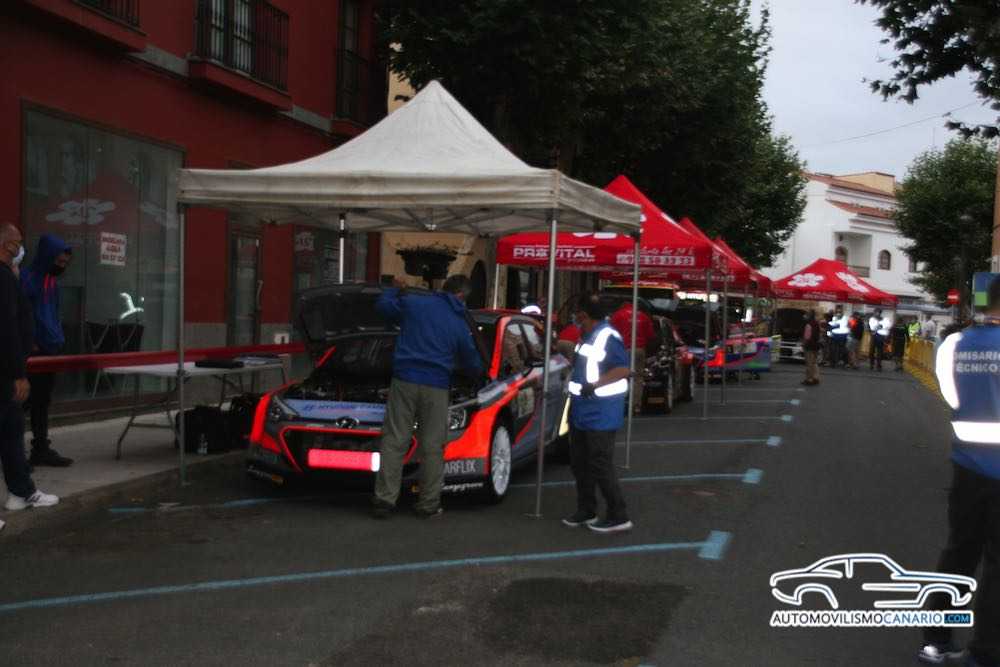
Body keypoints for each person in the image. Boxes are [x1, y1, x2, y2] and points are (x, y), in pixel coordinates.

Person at [918, 276, 1000, 667]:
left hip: (967, 465)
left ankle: (935, 642)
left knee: (959, 553)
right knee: (997, 565)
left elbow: (951, 397)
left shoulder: (952, 344)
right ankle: (985, 651)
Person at [371, 275, 484, 519]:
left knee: (394, 440)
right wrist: (480, 375)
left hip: (404, 380)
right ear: (461, 295)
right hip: (437, 386)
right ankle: (429, 504)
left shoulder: (415, 303)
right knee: (432, 446)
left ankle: (384, 500)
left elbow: (383, 308)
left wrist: (393, 290)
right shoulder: (458, 322)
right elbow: (470, 360)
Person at [0, 223, 59, 514]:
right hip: (4, 371)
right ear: (7, 244)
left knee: (11, 433)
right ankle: (21, 490)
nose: (20, 248)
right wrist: (18, 374)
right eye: (17, 242)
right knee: (9, 430)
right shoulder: (3, 278)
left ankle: (21, 491)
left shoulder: (9, 276)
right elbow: (7, 327)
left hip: (7, 368)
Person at [562, 292, 632, 533]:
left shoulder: (607, 336)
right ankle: (586, 509)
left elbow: (623, 369)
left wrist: (594, 385)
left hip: (601, 412)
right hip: (582, 410)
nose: (575, 318)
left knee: (600, 464)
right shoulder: (588, 335)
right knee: (580, 463)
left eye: (577, 314)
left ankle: (618, 514)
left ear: (584, 315)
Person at [21, 233, 73, 467]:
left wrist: (57, 339)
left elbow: (54, 313)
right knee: (22, 402)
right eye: (59, 261)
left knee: (41, 401)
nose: (62, 266)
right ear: (48, 257)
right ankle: (16, 452)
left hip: (49, 349)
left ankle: (40, 448)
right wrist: (30, 342)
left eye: (65, 263)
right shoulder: (28, 280)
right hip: (32, 352)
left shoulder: (51, 283)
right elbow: (22, 314)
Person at [610, 300, 654, 415]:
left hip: (621, 349)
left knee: (619, 376)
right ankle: (636, 406)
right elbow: (650, 335)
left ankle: (618, 403)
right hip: (639, 349)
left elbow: (610, 333)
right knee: (637, 378)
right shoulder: (643, 316)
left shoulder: (617, 315)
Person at [801, 311, 821, 386]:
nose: (805, 316)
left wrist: (803, 344)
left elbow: (807, 337)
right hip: (816, 346)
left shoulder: (808, 325)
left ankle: (809, 379)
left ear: (809, 316)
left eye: (806, 315)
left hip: (809, 346)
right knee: (814, 363)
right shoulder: (817, 324)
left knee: (809, 363)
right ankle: (816, 377)